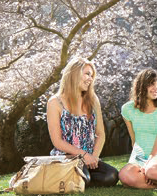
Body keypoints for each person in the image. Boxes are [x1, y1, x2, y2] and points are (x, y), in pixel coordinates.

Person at [46, 57, 119, 188]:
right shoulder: (55, 102)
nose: (90, 79)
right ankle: (64, 176)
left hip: (88, 158)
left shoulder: (93, 100)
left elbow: (100, 134)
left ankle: (82, 178)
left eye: (92, 75)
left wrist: (93, 158)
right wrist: (83, 155)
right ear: (74, 74)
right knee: (84, 178)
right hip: (66, 158)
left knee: (112, 175)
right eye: (87, 74)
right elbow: (57, 141)